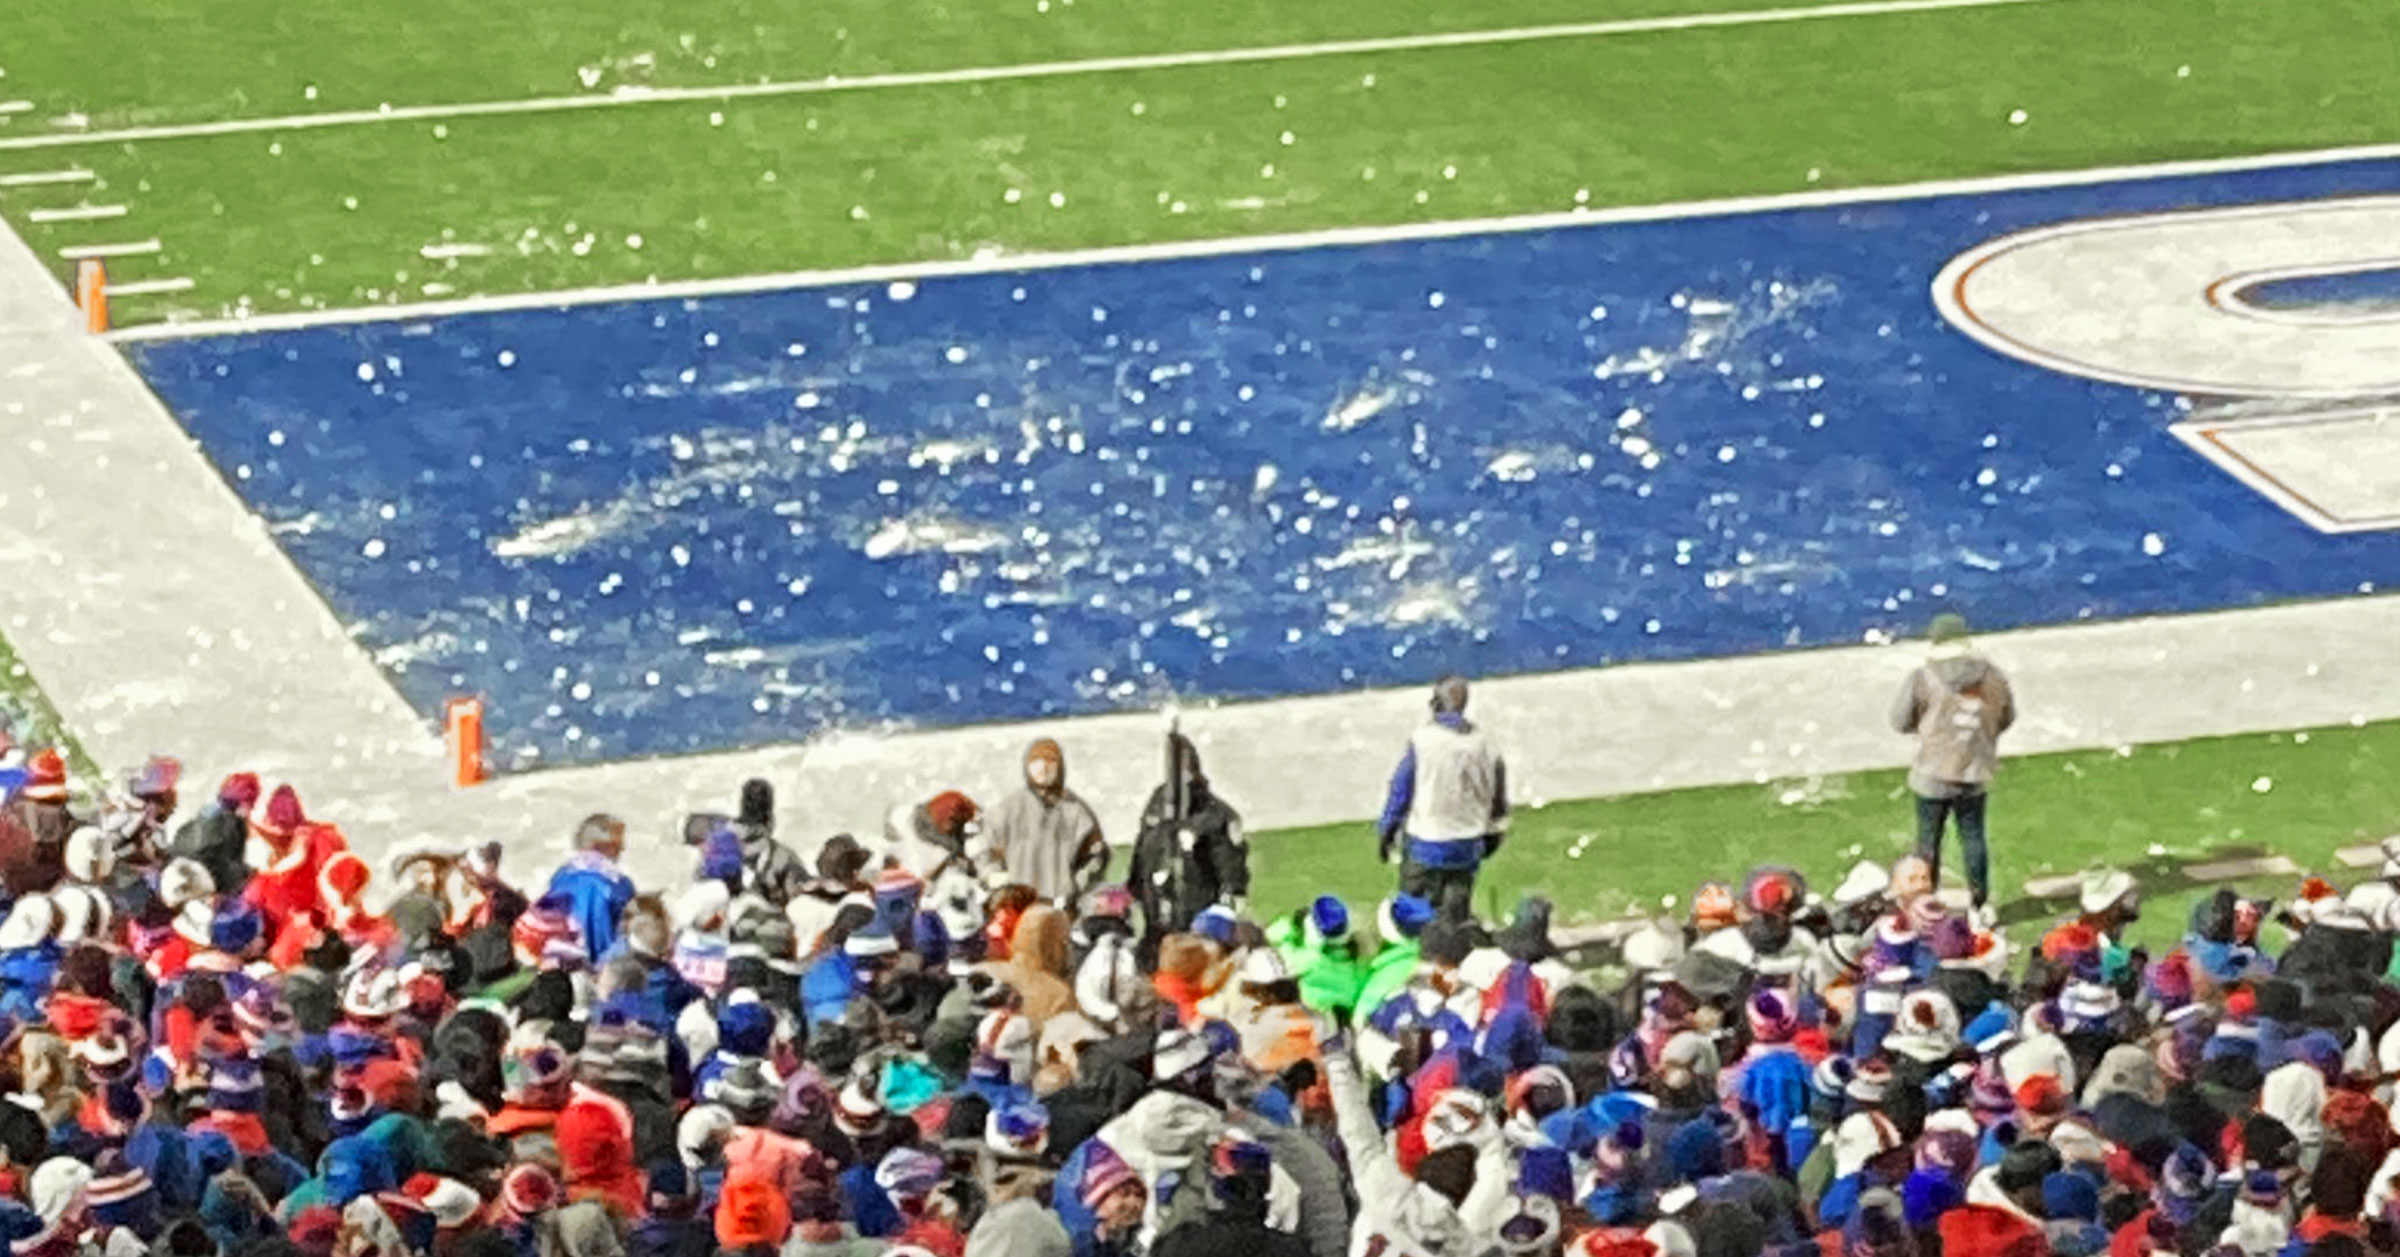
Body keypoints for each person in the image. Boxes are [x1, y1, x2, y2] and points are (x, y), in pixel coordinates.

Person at [1890, 612, 2015, 912]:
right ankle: (1979, 904)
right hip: (1974, 773)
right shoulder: (1993, 678)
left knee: (1927, 842)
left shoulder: (1923, 678)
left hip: (1931, 773)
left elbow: (1899, 721)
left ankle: (1924, 902)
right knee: (1973, 838)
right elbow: (2007, 717)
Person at [1375, 675, 1509, 921]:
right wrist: (1494, 834)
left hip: (1427, 842)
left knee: (1414, 915)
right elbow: (1498, 802)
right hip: (1468, 845)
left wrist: (1386, 831)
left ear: (1436, 704)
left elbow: (1401, 792)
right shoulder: (1486, 744)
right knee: (1456, 915)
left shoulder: (1424, 740)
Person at [1128, 733, 1248, 951]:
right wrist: (1135, 885)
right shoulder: (1158, 807)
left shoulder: (1215, 815)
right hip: (1158, 909)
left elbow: (1230, 865)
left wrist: (1232, 895)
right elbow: (1144, 846)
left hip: (1197, 908)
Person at [988, 740, 1106, 908]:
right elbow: (986, 852)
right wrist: (994, 877)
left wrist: (1076, 886)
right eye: (1036, 763)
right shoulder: (1008, 810)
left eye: (1050, 762)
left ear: (1060, 767)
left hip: (1060, 907)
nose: (1043, 768)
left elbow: (1095, 856)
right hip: (1017, 907)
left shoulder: (1077, 812)